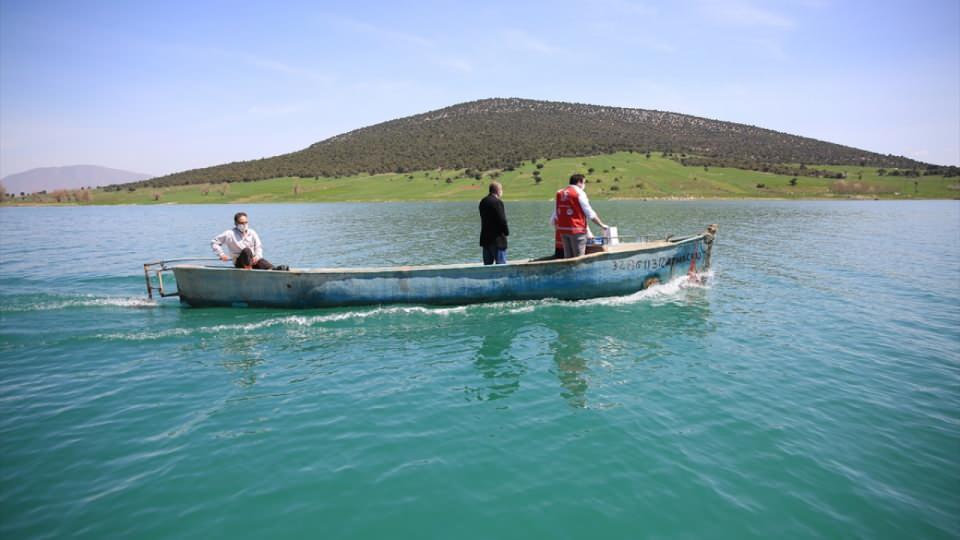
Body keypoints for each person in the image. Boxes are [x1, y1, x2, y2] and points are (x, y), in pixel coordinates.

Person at [552, 173, 609, 258]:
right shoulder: (579, 193)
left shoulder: (560, 193)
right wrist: (601, 225)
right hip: (577, 230)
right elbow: (590, 213)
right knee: (578, 258)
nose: (584, 185)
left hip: (563, 230)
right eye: (584, 183)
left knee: (568, 258)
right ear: (579, 182)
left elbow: (555, 215)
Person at [211, 212, 286, 270]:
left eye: (246, 222)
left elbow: (258, 247)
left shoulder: (252, 232)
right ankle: (249, 270)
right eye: (241, 223)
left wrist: (257, 256)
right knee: (247, 250)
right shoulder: (229, 234)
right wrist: (221, 254)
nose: (244, 225)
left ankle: (274, 270)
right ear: (236, 223)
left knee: (262, 261)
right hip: (240, 262)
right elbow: (214, 242)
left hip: (253, 260)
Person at [478, 181, 509, 265]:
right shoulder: (497, 202)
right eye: (501, 189)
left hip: (485, 239)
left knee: (488, 267)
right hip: (497, 240)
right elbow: (502, 220)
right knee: (501, 266)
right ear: (498, 190)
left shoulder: (483, 202)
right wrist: (506, 232)